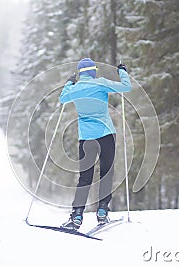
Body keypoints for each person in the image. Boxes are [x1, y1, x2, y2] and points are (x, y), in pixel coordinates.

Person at [60, 58, 132, 230]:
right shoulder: (101, 84)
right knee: (106, 173)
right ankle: (102, 211)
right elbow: (126, 86)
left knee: (85, 177)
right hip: (106, 135)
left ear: (80, 73)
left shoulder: (75, 89)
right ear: (93, 71)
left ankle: (77, 214)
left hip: (86, 138)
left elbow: (63, 98)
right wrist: (122, 71)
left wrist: (69, 83)